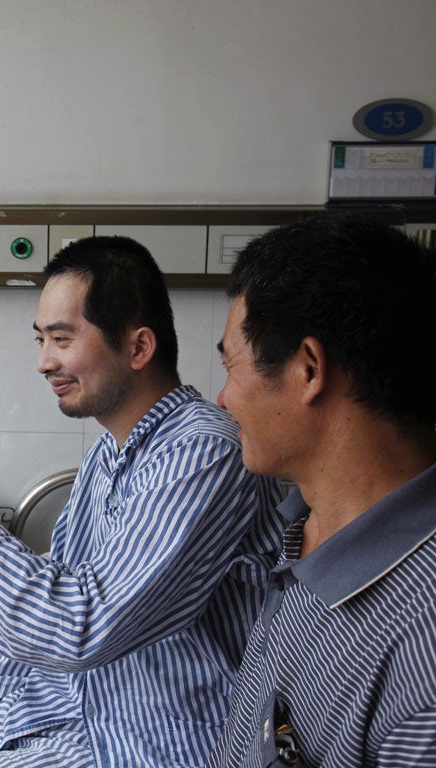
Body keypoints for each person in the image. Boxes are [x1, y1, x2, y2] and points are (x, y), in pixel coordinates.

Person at [0, 235, 285, 768]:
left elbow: (78, 625)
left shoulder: (205, 453)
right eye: (41, 340)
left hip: (155, 735)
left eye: (61, 339)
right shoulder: (109, 453)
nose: (43, 362)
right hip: (79, 705)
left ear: (138, 347)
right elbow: (56, 584)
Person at [207, 213, 436, 767]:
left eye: (231, 365)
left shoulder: (420, 666)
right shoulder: (305, 531)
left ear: (308, 369)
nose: (222, 400)